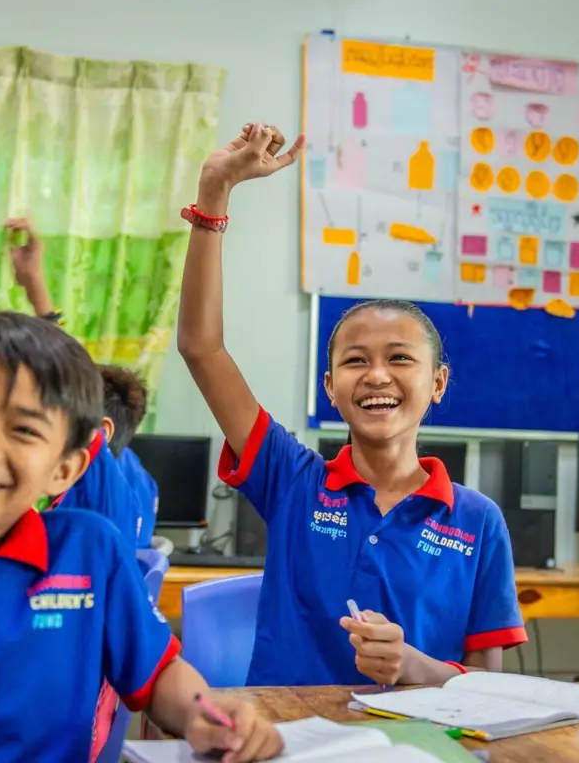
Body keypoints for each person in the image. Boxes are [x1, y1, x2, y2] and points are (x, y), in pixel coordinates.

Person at [0, 0, 281, 760]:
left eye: (23, 428)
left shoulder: (89, 549)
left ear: (71, 464)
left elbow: (162, 679)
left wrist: (214, 714)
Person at [177, 122, 526, 687]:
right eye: (356, 360)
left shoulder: (477, 521)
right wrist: (215, 193)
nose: (377, 375)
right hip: (286, 739)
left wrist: (412, 665)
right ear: (330, 386)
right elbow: (201, 347)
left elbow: (489, 687)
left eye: (401, 359)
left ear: (438, 383)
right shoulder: (292, 479)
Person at [6, 217, 158, 549]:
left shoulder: (95, 481)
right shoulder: (137, 477)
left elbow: (67, 372)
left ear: (101, 432)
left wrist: (36, 285)